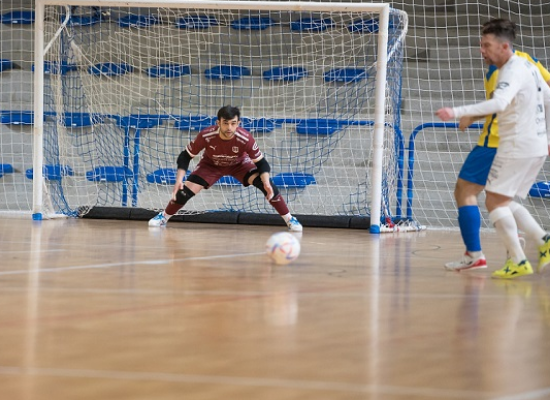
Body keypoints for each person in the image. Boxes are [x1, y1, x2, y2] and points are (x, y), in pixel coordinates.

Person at [436, 18, 550, 279]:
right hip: (529, 142)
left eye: (486, 44)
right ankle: (526, 247)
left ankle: (478, 255)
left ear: (504, 45)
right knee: (499, 200)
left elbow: (500, 103)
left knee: (468, 191)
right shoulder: (527, 62)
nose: (482, 50)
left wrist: (458, 112)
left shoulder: (508, 70)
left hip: (501, 141)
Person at [149, 105, 303, 232]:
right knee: (183, 193)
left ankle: (290, 219)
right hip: (211, 165)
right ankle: (163, 217)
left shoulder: (245, 138)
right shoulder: (206, 135)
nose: (229, 127)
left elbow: (262, 163)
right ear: (218, 123)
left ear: (238, 123)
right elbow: (185, 156)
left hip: (239, 165)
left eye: (233, 123)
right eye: (226, 123)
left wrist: (266, 182)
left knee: (267, 186)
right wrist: (179, 180)